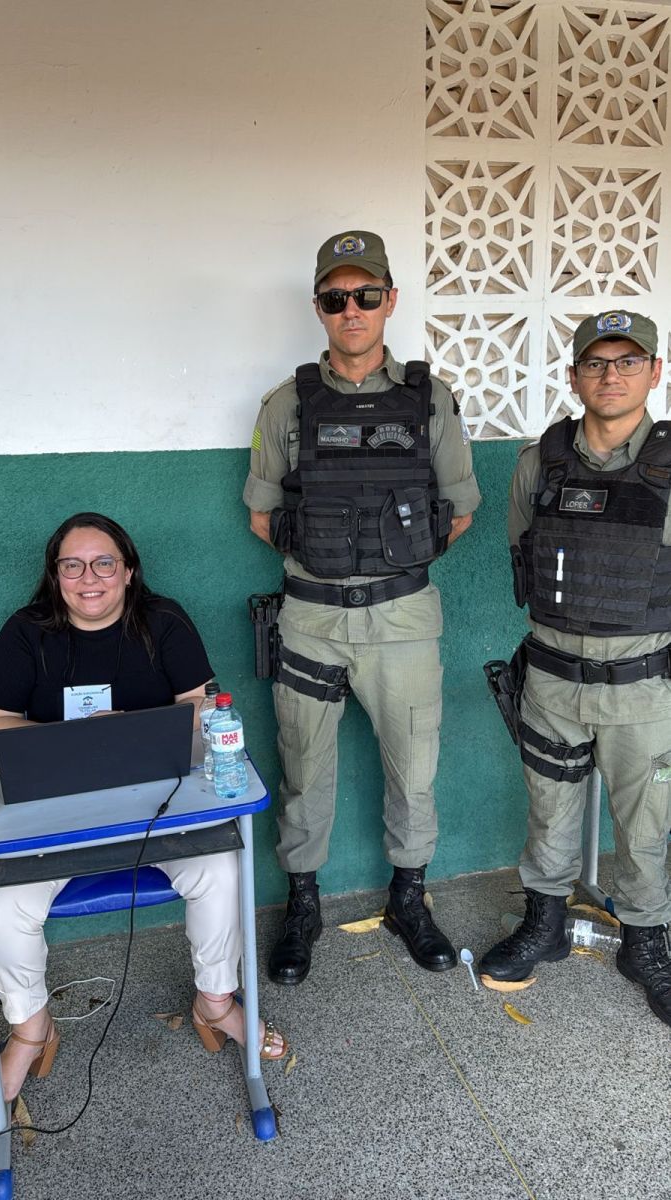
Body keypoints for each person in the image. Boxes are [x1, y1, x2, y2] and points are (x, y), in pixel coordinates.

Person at [243, 230, 481, 984]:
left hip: (402, 619)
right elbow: (261, 515)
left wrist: (385, 563)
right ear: (319, 307)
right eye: (337, 297)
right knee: (302, 768)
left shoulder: (429, 399)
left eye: (366, 295)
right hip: (311, 620)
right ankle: (303, 906)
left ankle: (409, 900)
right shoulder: (286, 405)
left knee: (413, 770)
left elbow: (460, 510)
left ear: (389, 301)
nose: (352, 309)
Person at [0, 512, 286, 1103]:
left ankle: (215, 1002)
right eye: (72, 566)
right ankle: (31, 1027)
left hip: (160, 807)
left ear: (128, 571)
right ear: (55, 575)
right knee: (5, 902)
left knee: (220, 869)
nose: (89, 578)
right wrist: (77, 740)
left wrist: (128, 728)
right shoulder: (27, 632)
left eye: (104, 563)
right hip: (57, 815)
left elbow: (202, 707)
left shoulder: (163, 620)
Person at [479, 311, 671, 1029]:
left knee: (645, 822)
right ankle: (545, 923)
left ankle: (646, 943)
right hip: (553, 681)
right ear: (573, 375)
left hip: (643, 685)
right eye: (595, 362)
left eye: (628, 362)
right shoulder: (540, 463)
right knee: (548, 809)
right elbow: (523, 552)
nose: (610, 375)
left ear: (654, 372)